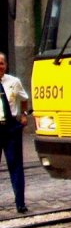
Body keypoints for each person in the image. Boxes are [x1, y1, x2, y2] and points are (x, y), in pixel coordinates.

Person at [0, 51, 30, 213]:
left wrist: (24, 115)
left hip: (11, 128)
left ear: (6, 65)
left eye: (1, 64)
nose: (0, 67)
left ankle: (20, 202)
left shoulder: (14, 82)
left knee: (16, 165)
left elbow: (24, 98)